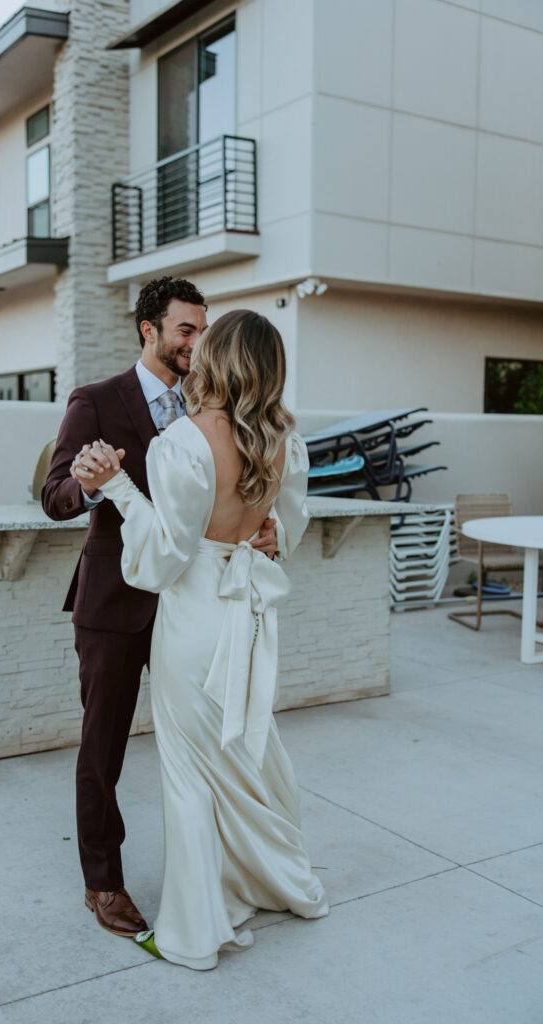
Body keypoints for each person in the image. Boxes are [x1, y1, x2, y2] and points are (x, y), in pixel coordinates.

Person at [87, 309, 329, 970]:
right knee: (246, 751)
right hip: (247, 615)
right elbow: (287, 529)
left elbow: (164, 557)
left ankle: (192, 931)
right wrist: (265, 531)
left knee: (191, 771)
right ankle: (272, 879)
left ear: (217, 358)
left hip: (195, 617)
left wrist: (115, 487)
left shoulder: (184, 441)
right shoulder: (285, 439)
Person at [42, 278, 277, 938]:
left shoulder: (214, 402)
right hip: (116, 605)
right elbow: (53, 493)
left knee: (207, 749)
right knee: (103, 750)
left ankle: (215, 879)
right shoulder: (95, 401)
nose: (197, 343)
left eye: (204, 330)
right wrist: (89, 486)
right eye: (185, 330)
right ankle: (102, 883)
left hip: (194, 609)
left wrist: (265, 527)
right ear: (148, 330)